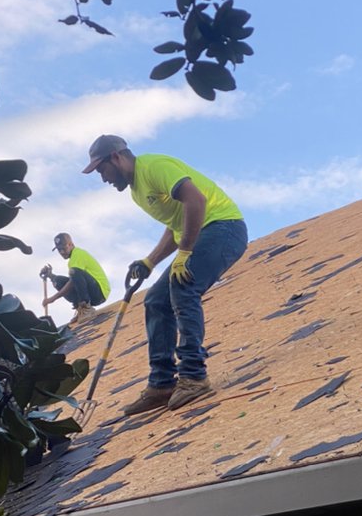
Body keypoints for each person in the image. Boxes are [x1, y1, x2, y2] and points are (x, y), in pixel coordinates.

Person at [82, 135, 248, 413]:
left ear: (116, 157)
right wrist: (150, 261)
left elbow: (195, 201)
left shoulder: (153, 167)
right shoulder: (137, 191)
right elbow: (176, 223)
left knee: (183, 288)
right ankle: (161, 384)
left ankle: (194, 377)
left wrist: (184, 252)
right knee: (156, 300)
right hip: (203, 233)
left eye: (102, 170)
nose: (103, 179)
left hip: (224, 227)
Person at [41, 232, 111, 325]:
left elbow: (72, 282)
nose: (61, 252)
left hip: (100, 293)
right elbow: (73, 282)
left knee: (73, 272)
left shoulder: (78, 254)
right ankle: (80, 308)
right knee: (57, 281)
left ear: (71, 244)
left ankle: (86, 308)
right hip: (92, 294)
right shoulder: (71, 261)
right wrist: (50, 276)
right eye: (59, 250)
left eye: (63, 248)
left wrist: (53, 299)